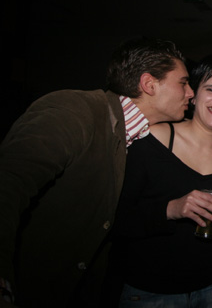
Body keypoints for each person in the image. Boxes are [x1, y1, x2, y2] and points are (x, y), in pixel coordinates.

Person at [0, 37, 193, 307]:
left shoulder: (137, 137)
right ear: (149, 84)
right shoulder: (75, 110)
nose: (191, 93)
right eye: (183, 83)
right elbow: (8, 183)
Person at [113, 54, 212, 307]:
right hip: (153, 291)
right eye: (211, 89)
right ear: (193, 95)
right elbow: (116, 219)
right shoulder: (152, 140)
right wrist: (171, 209)